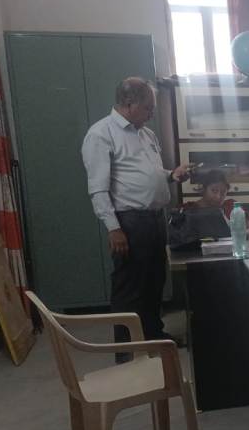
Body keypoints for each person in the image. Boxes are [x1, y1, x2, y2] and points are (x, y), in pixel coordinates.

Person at [81, 77, 191, 356]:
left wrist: (172, 175)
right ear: (129, 104)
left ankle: (154, 336)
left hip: (155, 219)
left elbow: (151, 173)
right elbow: (98, 189)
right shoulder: (101, 134)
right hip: (129, 222)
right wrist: (113, 228)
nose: (151, 114)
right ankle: (127, 350)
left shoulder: (146, 134)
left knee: (154, 282)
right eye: (148, 108)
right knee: (130, 288)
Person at [183, 167, 249, 238]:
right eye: (214, 190)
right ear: (204, 189)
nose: (218, 197)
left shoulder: (231, 206)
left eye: (223, 192)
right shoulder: (190, 209)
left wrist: (232, 235)